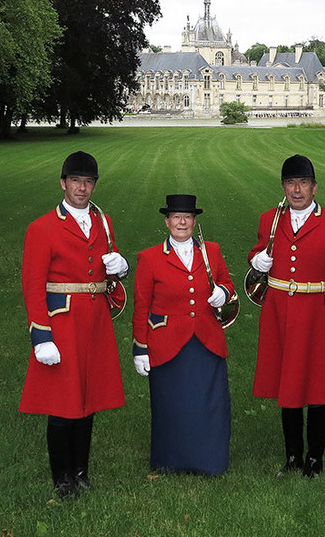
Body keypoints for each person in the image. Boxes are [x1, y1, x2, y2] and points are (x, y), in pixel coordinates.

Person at [19, 151, 130, 500]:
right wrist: (41, 335)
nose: (82, 188)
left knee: (88, 399)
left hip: (96, 322)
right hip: (62, 324)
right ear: (63, 183)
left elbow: (104, 271)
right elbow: (33, 285)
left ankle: (81, 471)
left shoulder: (104, 222)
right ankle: (62, 476)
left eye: (88, 182)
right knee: (61, 403)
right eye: (76, 181)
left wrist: (120, 268)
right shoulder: (42, 228)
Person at [248, 154, 325, 478]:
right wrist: (257, 260)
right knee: (288, 386)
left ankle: (315, 458)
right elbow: (260, 250)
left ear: (314, 187)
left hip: (320, 316)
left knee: (318, 387)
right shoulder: (270, 218)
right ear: (283, 186)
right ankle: (292, 456)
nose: (296, 190)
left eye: (303, 183)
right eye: (290, 183)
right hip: (281, 313)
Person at [131, 195, 235, 475]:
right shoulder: (149, 257)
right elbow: (141, 305)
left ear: (194, 221)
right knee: (172, 403)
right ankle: (170, 461)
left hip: (206, 339)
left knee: (208, 402)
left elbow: (227, 282)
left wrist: (223, 292)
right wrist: (140, 347)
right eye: (176, 217)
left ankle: (209, 461)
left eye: (187, 217)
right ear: (167, 221)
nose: (181, 222)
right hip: (166, 342)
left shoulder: (211, 250)